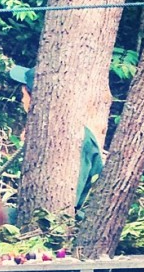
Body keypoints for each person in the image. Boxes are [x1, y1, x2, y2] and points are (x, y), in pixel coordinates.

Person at [8, 64, 104, 210]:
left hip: (70, 219)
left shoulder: (76, 137)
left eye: (24, 95)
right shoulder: (45, 131)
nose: (22, 100)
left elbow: (68, 204)